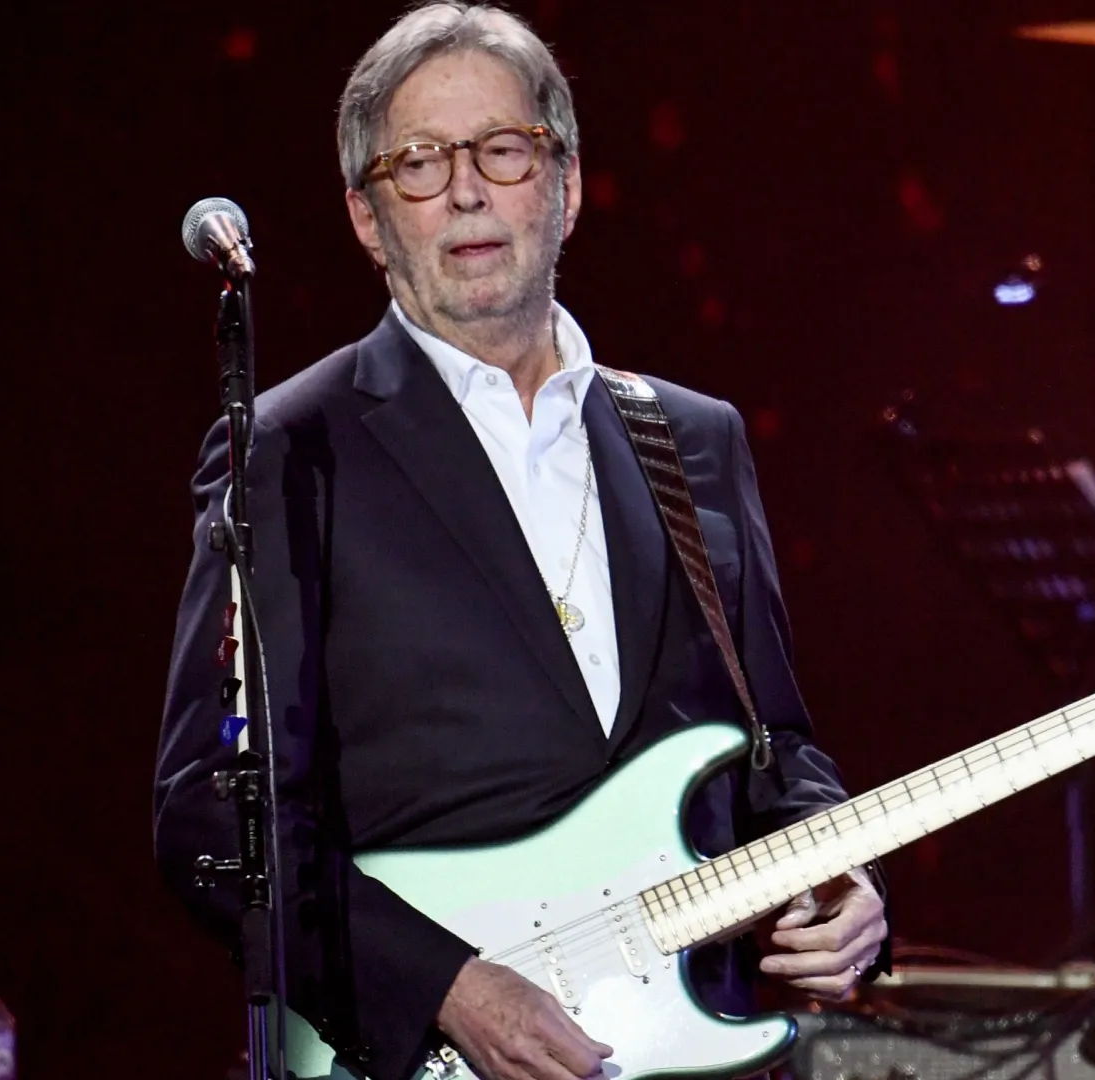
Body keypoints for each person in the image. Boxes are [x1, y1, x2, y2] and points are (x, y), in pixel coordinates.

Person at [154, 6, 888, 1080]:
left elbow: (778, 746)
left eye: (503, 150)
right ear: (368, 217)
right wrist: (445, 987)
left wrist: (845, 881)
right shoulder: (290, 450)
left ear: (569, 184)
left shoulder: (694, 440)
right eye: (418, 163)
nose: (465, 191)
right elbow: (209, 812)